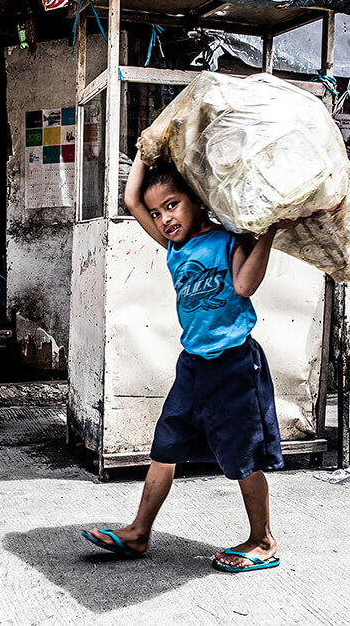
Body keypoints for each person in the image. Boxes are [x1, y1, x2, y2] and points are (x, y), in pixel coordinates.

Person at [81, 153, 292, 573]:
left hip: (234, 365)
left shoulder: (229, 240)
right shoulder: (174, 247)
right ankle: (139, 532)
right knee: (166, 447)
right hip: (193, 365)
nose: (163, 219)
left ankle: (263, 539)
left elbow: (245, 285)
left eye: (172, 205)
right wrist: (145, 149)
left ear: (197, 200)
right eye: (158, 213)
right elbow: (131, 199)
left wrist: (267, 233)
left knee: (242, 455)